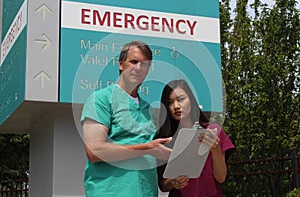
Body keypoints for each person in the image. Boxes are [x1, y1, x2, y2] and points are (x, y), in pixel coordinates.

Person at [81, 40, 172, 197]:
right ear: (121, 64)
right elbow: (95, 151)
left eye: (144, 64)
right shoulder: (101, 99)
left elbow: (149, 153)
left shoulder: (148, 110)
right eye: (134, 62)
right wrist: (146, 148)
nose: (138, 68)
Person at [156, 79, 235, 197]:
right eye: (170, 102)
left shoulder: (212, 132)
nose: (176, 106)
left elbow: (221, 178)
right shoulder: (165, 140)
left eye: (181, 99)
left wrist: (216, 150)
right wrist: (174, 182)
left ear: (191, 101)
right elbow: (163, 185)